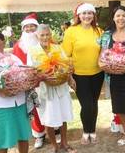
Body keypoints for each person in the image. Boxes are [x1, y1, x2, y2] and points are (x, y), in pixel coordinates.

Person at [27, 24, 76, 153]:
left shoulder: (57, 48)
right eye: (42, 35)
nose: (45, 37)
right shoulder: (32, 51)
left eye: (47, 34)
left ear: (51, 35)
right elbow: (31, 72)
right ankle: (55, 146)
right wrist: (42, 77)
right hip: (44, 90)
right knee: (48, 118)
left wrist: (70, 78)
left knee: (64, 115)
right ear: (37, 36)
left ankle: (64, 143)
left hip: (61, 87)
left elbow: (66, 65)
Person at [62, 3, 104, 145]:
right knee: (86, 105)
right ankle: (86, 132)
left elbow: (103, 52)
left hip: (97, 74)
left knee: (94, 103)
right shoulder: (71, 31)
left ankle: (93, 131)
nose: (87, 16)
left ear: (94, 15)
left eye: (90, 13)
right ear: (78, 15)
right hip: (79, 75)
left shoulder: (99, 31)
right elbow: (65, 55)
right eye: (84, 13)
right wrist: (69, 77)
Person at [99, 6, 125, 146]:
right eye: (118, 16)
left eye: (123, 15)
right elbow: (102, 55)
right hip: (113, 76)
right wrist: (102, 64)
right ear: (113, 18)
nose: (120, 18)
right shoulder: (106, 35)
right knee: (118, 105)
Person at [12, 13, 46, 149]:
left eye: (33, 26)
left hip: (46, 81)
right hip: (28, 83)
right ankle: (39, 134)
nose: (30, 29)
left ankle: (53, 130)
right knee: (33, 109)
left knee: (48, 106)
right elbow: (14, 66)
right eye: (27, 27)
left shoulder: (45, 42)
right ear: (23, 29)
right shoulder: (17, 46)